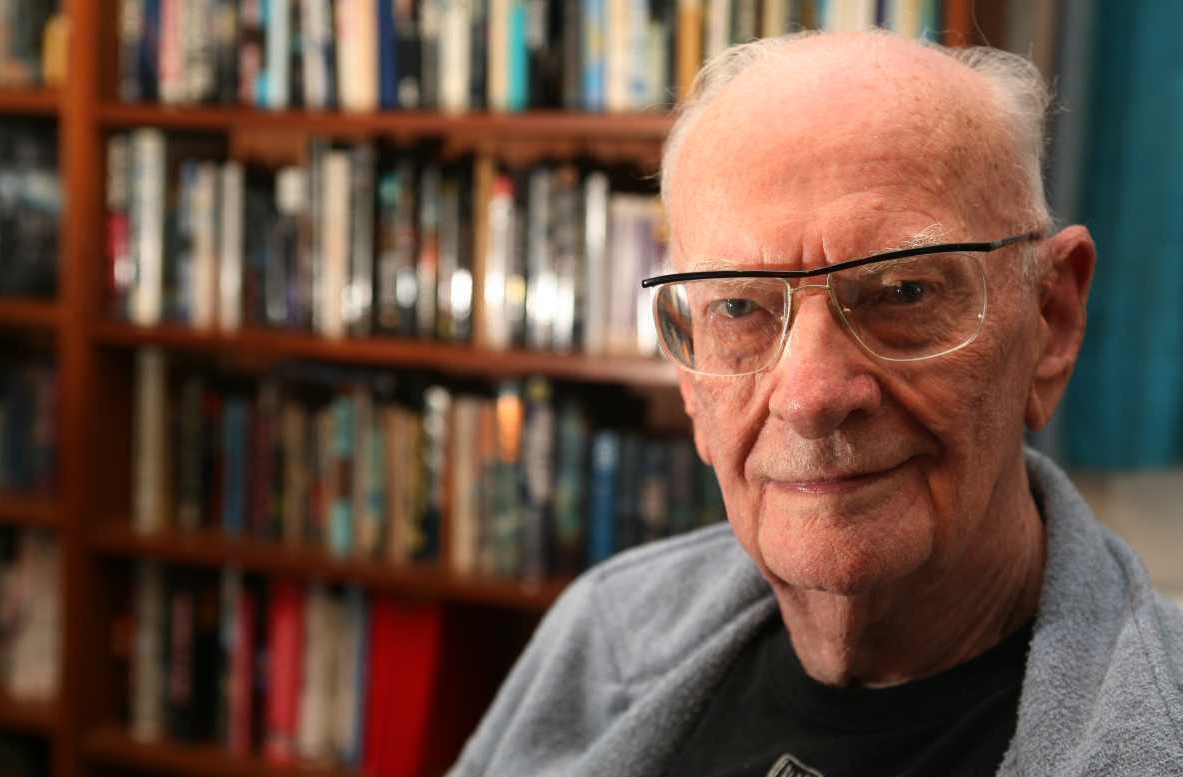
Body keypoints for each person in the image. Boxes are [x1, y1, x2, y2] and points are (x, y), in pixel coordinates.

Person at [448, 31, 1183, 777]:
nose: (810, 397)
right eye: (738, 307)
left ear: (1051, 320)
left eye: (903, 292)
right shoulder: (600, 633)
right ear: (690, 375)